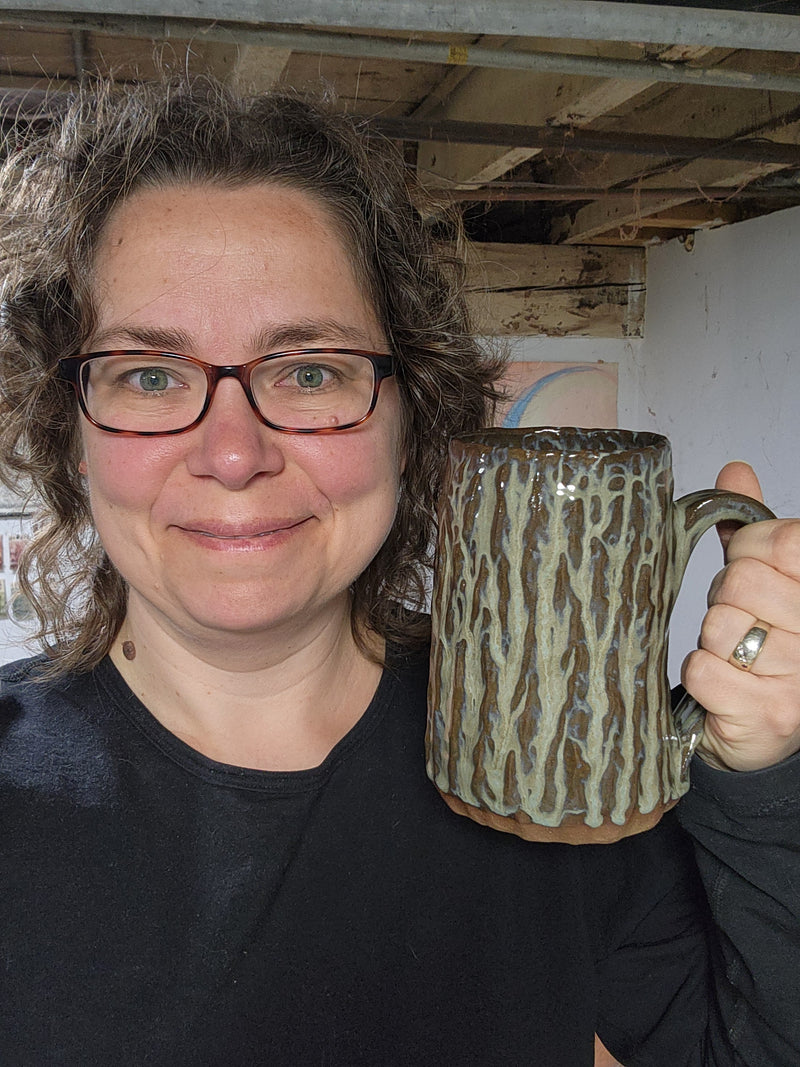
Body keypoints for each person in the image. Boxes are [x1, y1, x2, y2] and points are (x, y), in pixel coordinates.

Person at [0, 75, 798, 1067]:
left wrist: (762, 778)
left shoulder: (551, 756)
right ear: (68, 430)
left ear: (406, 415)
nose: (235, 454)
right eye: (151, 375)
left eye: (307, 371)